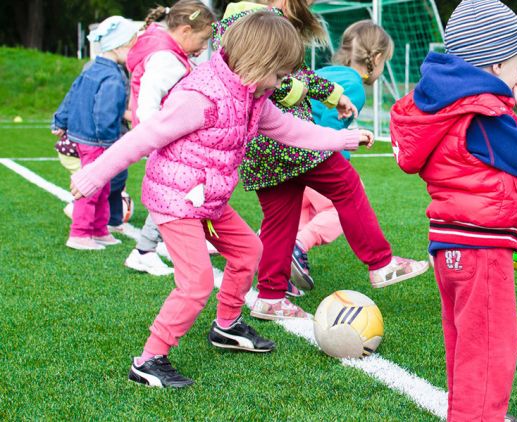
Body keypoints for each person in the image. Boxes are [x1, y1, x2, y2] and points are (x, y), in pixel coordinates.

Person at [69, 11, 373, 388]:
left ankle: (226, 326)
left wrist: (342, 139)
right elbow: (144, 137)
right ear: (258, 62)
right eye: (279, 75)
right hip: (176, 200)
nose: (282, 84)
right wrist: (93, 175)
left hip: (208, 200)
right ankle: (148, 360)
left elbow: (289, 129)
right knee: (196, 283)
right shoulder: (201, 96)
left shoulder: (253, 95)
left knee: (249, 251)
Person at [215, 1, 428, 322]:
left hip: (258, 146)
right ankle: (381, 263)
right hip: (288, 137)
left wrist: (330, 95)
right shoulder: (265, 20)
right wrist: (322, 95)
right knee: (346, 185)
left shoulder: (229, 29)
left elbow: (274, 77)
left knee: (279, 220)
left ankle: (270, 296)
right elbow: (282, 78)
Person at [389, 0, 517, 419]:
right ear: (495, 65)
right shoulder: (482, 112)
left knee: (466, 347)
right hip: (481, 251)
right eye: (516, 65)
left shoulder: (446, 105)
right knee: (490, 353)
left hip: (451, 245)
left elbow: (469, 168)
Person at [285, 20, 395, 296]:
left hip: (290, 155)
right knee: (341, 207)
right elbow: (329, 128)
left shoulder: (324, 72)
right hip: (316, 159)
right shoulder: (354, 86)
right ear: (377, 58)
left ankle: (283, 267)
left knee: (300, 212)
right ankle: (299, 245)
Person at [122, 0, 217, 277]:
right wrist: (159, 136)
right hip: (165, 139)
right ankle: (144, 251)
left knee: (180, 192)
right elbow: (149, 104)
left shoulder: (165, 50)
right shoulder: (166, 59)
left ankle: (156, 247)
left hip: (166, 137)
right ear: (186, 30)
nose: (202, 48)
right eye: (202, 40)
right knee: (174, 194)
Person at [52, 16, 140, 250]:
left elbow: (72, 93)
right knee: (92, 186)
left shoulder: (92, 68)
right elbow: (105, 112)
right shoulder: (112, 76)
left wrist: (60, 119)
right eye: (132, 46)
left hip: (86, 137)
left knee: (103, 186)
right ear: (120, 46)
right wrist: (110, 143)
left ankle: (99, 230)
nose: (134, 52)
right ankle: (80, 233)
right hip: (98, 141)